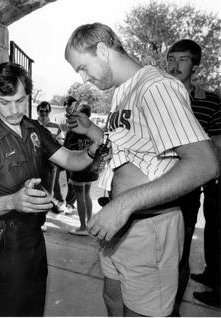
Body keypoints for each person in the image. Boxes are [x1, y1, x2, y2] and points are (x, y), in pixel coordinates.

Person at [64, 22, 219, 317]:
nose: (84, 78)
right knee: (112, 299)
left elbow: (205, 163)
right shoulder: (123, 91)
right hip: (120, 227)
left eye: (83, 67)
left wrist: (124, 204)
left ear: (101, 50)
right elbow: (131, 150)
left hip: (148, 228)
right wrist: (93, 131)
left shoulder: (156, 87)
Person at [0, 62, 101, 317]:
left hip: (34, 231)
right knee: (15, 305)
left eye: (20, 100)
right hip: (8, 237)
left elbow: (71, 160)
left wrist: (94, 146)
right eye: (5, 102)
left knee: (35, 299)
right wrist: (12, 201)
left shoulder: (33, 128)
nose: (15, 110)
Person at [167, 39, 221, 311]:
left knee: (180, 254)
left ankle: (173, 309)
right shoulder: (155, 96)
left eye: (183, 59)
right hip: (152, 188)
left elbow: (217, 148)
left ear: (196, 66)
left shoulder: (211, 102)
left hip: (187, 192)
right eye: (171, 58)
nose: (175, 65)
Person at [65, 101, 99, 236]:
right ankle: (89, 224)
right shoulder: (93, 129)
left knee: (80, 196)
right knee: (86, 194)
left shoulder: (73, 131)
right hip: (91, 169)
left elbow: (66, 150)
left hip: (78, 168)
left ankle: (83, 227)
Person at [37, 101, 65, 213]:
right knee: (37, 187)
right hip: (36, 162)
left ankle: (44, 215)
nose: (44, 113)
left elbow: (61, 143)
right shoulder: (33, 125)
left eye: (46, 110)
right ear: (37, 111)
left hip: (51, 163)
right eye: (41, 110)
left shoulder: (56, 126)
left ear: (49, 111)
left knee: (49, 188)